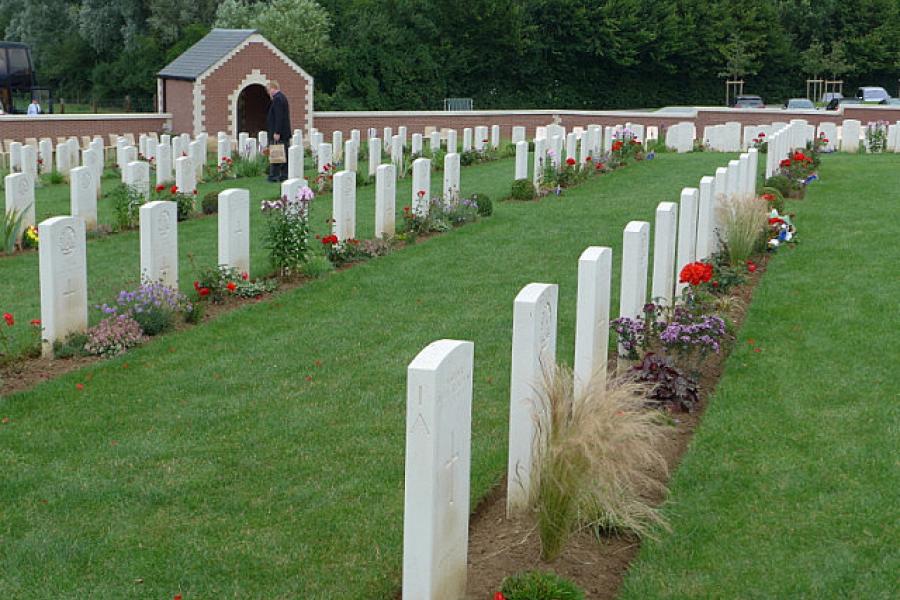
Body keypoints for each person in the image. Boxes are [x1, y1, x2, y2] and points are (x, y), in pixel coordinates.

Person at [265, 80, 290, 182]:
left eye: (268, 90)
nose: (268, 93)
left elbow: (279, 117)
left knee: (276, 153)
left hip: (279, 133)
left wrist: (277, 132)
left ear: (272, 88)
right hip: (283, 132)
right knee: (283, 153)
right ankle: (283, 175)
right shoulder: (281, 97)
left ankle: (274, 176)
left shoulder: (278, 99)